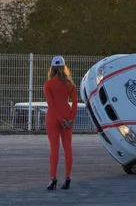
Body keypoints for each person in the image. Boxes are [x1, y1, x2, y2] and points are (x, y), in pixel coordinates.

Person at [44, 55, 78, 190]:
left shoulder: (48, 84)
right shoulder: (70, 84)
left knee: (54, 148)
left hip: (53, 118)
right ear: (64, 68)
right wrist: (70, 119)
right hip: (67, 115)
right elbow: (75, 102)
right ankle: (67, 178)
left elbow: (50, 104)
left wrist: (60, 119)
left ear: (52, 68)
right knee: (68, 148)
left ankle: (53, 179)